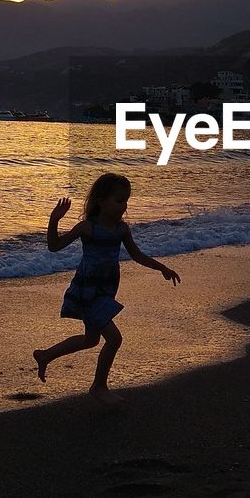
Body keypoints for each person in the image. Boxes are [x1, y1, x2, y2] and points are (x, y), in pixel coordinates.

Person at [33, 172, 181, 405]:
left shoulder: (122, 230)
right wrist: (54, 220)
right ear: (102, 201)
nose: (124, 206)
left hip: (106, 290)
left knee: (91, 340)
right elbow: (54, 246)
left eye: (126, 201)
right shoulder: (87, 228)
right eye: (119, 200)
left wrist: (162, 267)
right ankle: (99, 387)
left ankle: (45, 355)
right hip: (88, 291)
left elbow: (137, 255)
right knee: (114, 339)